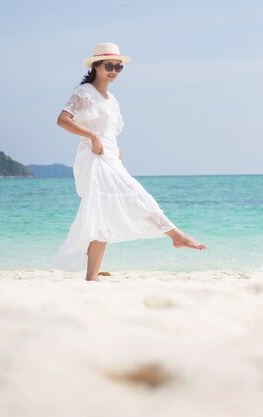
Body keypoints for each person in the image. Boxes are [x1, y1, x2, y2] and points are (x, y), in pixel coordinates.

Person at [52, 42, 206, 281]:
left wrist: (116, 149)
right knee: (137, 194)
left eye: (118, 67)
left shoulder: (111, 98)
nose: (114, 70)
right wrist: (91, 136)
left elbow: (108, 131)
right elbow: (63, 120)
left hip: (110, 156)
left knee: (101, 215)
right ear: (96, 66)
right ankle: (176, 235)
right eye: (109, 65)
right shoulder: (84, 92)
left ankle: (91, 277)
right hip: (93, 158)